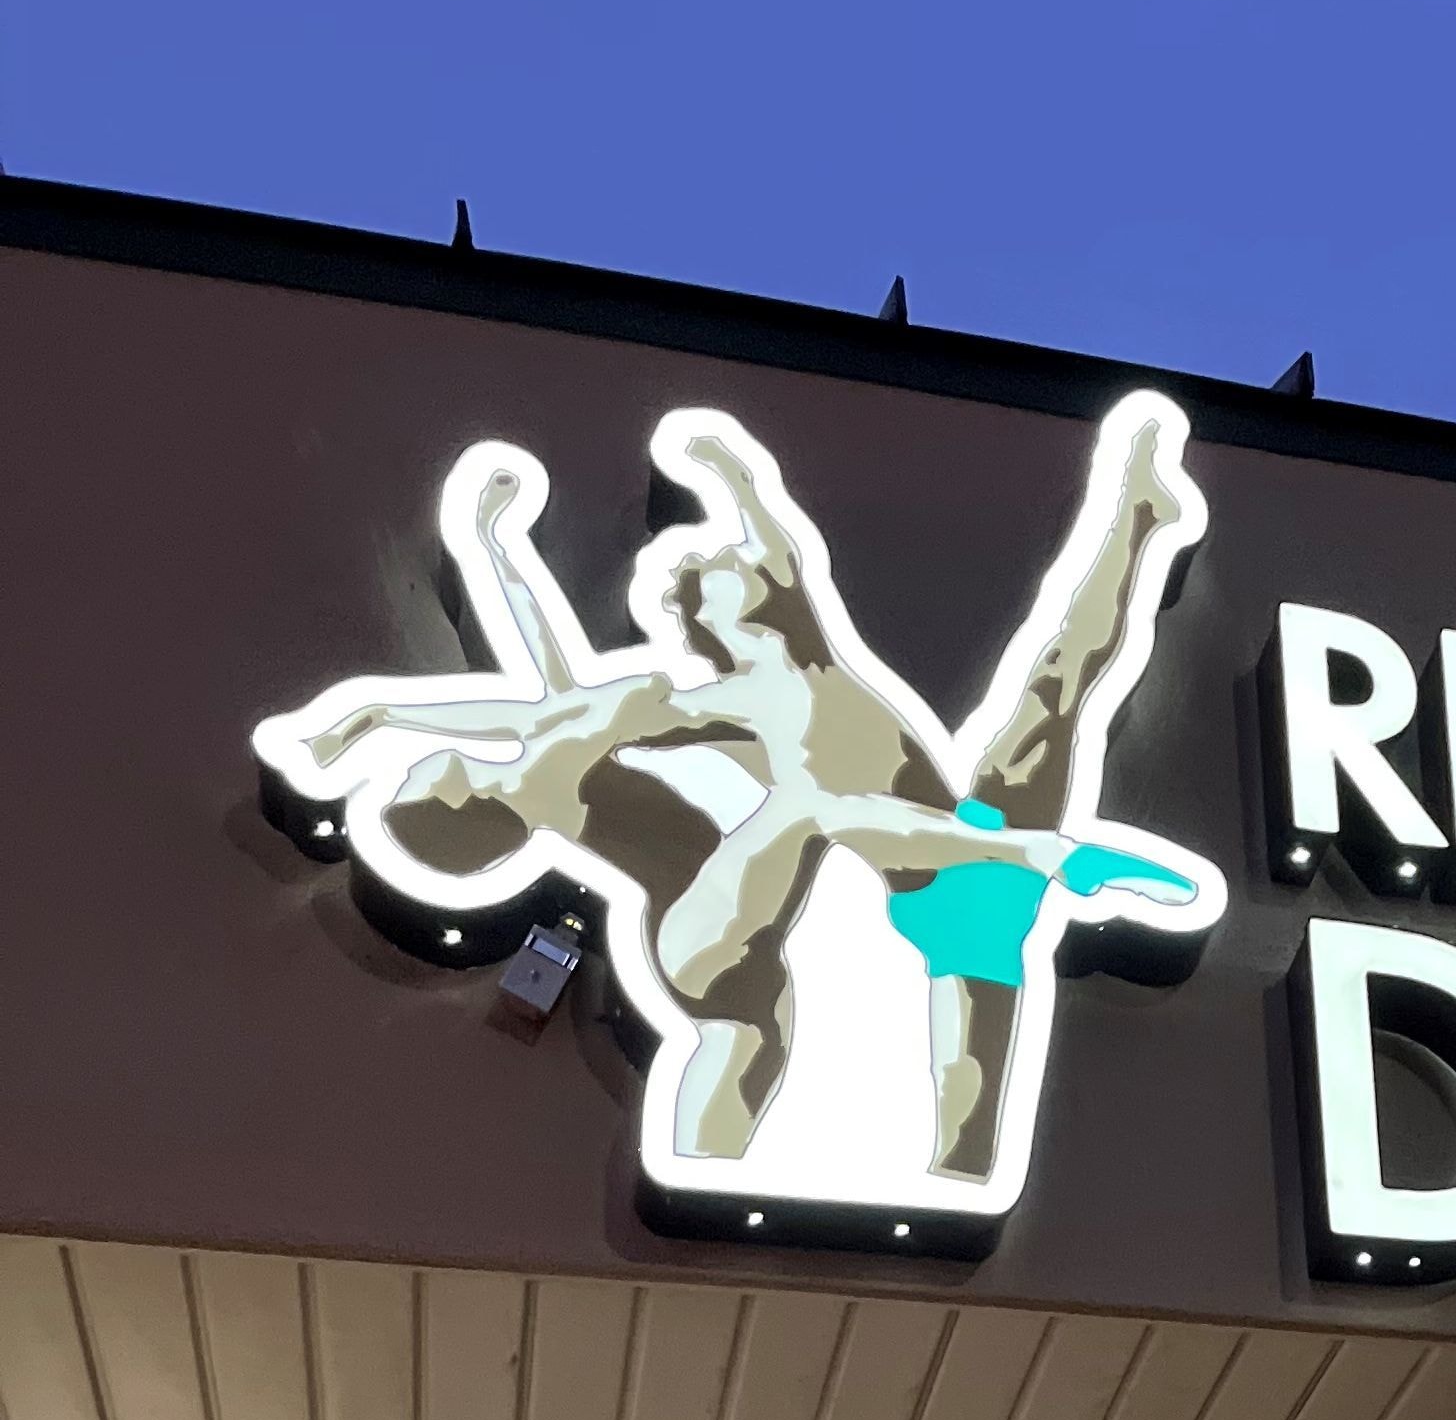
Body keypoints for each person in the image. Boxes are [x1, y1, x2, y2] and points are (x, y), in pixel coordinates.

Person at [265, 398, 1211, 1186]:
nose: (720, 570)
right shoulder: (671, 708)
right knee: (832, 827)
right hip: (806, 902)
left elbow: (540, 669)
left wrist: (479, 573)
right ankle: (1042, 864)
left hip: (878, 876)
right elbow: (534, 693)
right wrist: (400, 687)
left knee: (1052, 693)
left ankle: (1138, 515)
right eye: (704, 580)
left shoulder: (767, 646)